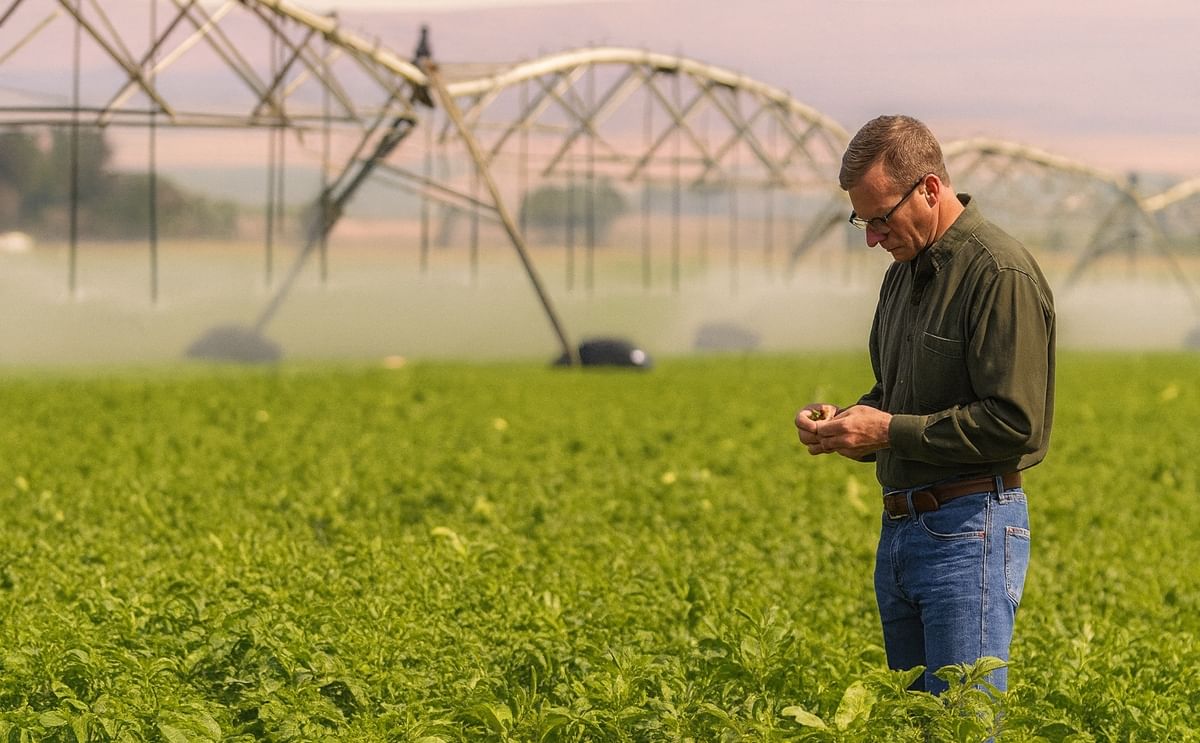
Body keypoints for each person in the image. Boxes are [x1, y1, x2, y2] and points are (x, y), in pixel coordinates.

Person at [794, 115, 1055, 695]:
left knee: (961, 725)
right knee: (916, 726)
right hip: (903, 532)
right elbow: (894, 398)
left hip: (970, 533)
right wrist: (845, 425)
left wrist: (887, 431)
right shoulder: (902, 275)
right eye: (861, 220)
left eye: (880, 217)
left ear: (930, 189)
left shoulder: (997, 272)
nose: (871, 236)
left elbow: (1014, 424)